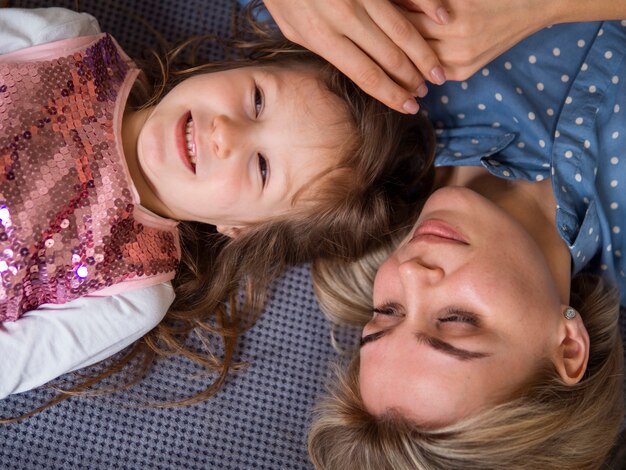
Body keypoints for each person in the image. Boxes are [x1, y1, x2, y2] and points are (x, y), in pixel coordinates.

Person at [0, 6, 435, 404]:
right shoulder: (68, 45)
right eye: (258, 101)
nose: (225, 134)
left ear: (243, 229)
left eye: (263, 168)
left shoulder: (132, 296)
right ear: (241, 65)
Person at [261, 3, 626, 469]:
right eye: (456, 320)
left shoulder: (351, 139)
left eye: (387, 311)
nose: (412, 273)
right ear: (567, 346)